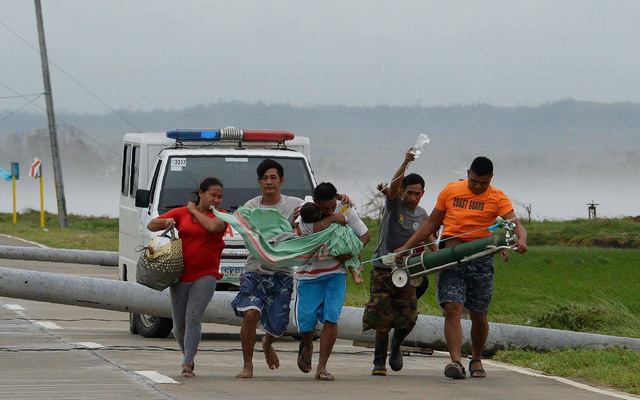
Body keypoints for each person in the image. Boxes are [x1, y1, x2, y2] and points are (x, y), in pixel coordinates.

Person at [395, 156, 528, 379]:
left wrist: (521, 238)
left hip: (481, 260)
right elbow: (431, 223)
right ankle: (455, 362)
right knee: (452, 309)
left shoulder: (498, 197)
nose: (478, 186)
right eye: (474, 181)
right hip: (450, 258)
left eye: (483, 183)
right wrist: (407, 247)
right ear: (468, 173)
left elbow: (516, 225)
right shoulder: (451, 190)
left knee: (479, 314)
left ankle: (476, 358)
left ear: (491, 179)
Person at [231, 159, 352, 379]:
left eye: (273, 177)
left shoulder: (295, 204)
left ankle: (268, 343)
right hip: (255, 270)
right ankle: (248, 365)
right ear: (259, 182)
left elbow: (321, 200)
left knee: (278, 326)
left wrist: (341, 197)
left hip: (283, 273)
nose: (269, 182)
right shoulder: (251, 207)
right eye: (265, 178)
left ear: (282, 180)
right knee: (250, 314)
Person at [362, 149, 437, 376]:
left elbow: (430, 240)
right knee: (381, 317)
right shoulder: (395, 205)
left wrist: (439, 258)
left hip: (407, 274)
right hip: (384, 269)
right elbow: (393, 186)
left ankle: (396, 345)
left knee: (408, 318)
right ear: (403, 191)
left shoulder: (423, 215)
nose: (412, 198)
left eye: (417, 193)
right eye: (409, 192)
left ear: (423, 194)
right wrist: (405, 162)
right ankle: (378, 362)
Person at [147, 177, 228, 378]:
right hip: (180, 275)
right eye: (213, 195)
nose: (217, 200)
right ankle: (188, 355)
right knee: (178, 325)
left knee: (193, 317)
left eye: (220, 197)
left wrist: (193, 210)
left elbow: (213, 228)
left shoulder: (222, 215)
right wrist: (165, 221)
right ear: (201, 193)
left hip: (207, 274)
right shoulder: (181, 213)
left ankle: (187, 364)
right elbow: (151, 225)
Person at [295, 182, 370, 381]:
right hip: (309, 274)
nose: (329, 210)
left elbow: (364, 235)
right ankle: (307, 344)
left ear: (337, 198)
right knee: (306, 319)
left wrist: (350, 250)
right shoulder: (306, 210)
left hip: (336, 273)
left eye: (332, 207)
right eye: (324, 208)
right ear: (316, 202)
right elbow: (304, 232)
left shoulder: (345, 207)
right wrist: (334, 218)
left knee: (331, 317)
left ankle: (322, 366)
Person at [298, 202, 362, 284]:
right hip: (338, 243)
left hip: (332, 247)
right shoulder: (326, 223)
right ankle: (357, 271)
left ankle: (356, 273)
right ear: (320, 212)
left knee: (350, 253)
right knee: (353, 250)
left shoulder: (306, 227)